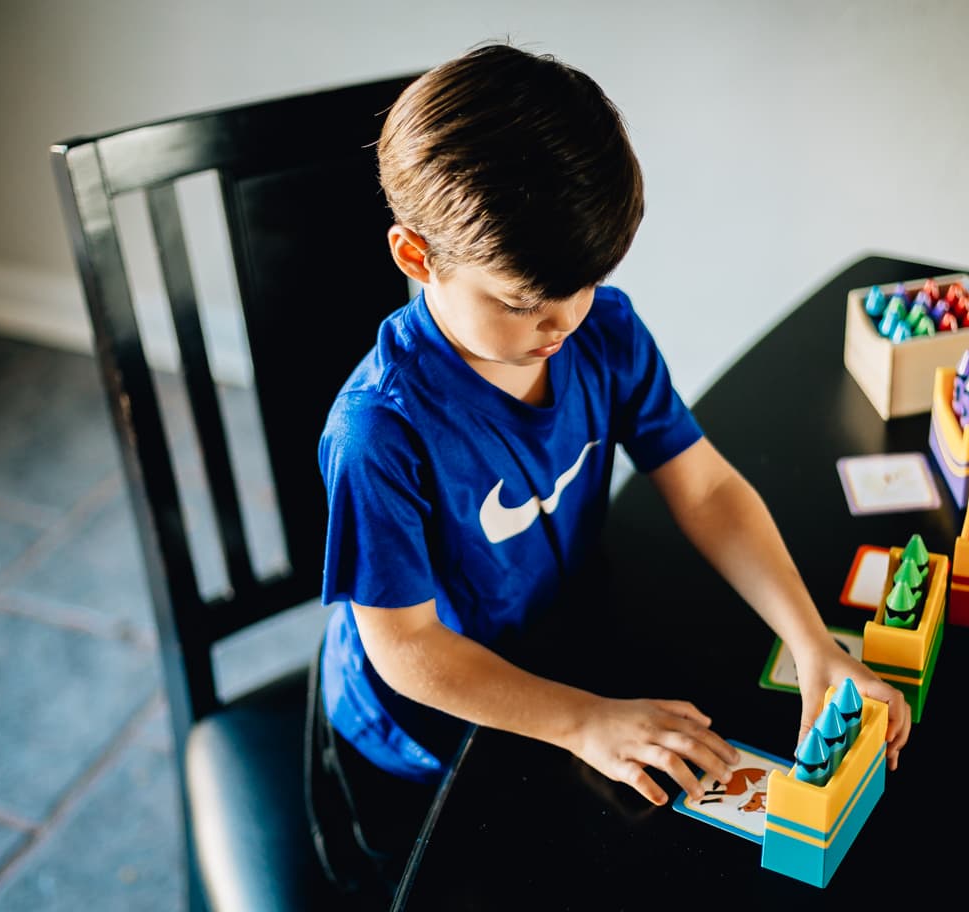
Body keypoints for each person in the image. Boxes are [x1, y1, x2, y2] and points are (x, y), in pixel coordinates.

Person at [305, 40, 911, 905]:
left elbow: (703, 486)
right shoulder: (380, 431)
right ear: (416, 256)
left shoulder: (603, 332)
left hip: (559, 643)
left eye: (586, 286)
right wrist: (582, 720)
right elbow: (406, 650)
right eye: (523, 302)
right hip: (424, 741)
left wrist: (816, 646)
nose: (564, 323)